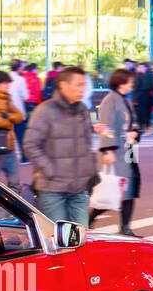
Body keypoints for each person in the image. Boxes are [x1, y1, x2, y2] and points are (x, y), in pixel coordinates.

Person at [24, 66, 103, 229]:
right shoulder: (45, 110)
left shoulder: (82, 109)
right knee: (59, 239)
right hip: (53, 189)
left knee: (81, 237)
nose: (82, 89)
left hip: (80, 188)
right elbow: (30, 145)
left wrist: (91, 176)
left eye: (84, 85)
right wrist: (51, 170)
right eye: (78, 84)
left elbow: (86, 146)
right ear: (63, 85)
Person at [92, 69, 140, 234]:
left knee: (130, 187)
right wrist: (107, 150)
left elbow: (134, 122)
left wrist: (135, 132)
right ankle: (89, 219)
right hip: (115, 151)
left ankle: (125, 226)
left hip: (127, 149)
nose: (131, 85)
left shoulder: (124, 99)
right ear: (121, 82)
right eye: (129, 82)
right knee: (112, 188)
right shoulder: (110, 100)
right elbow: (106, 127)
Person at [133, 61, 153, 131]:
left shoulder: (150, 75)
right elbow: (135, 88)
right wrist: (134, 99)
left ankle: (146, 126)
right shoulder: (138, 76)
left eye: (142, 67)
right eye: (139, 67)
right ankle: (141, 126)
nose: (140, 69)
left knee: (146, 112)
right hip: (139, 96)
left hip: (147, 95)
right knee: (139, 112)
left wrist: (151, 94)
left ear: (146, 68)